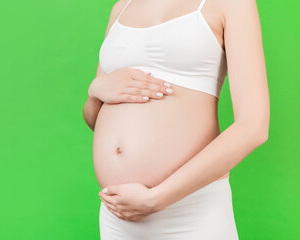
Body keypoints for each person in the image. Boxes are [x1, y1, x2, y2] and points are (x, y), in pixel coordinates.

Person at [83, 0, 269, 239]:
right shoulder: (121, 8)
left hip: (190, 213)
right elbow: (95, 121)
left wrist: (156, 199)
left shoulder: (231, 3)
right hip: (117, 215)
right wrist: (95, 90)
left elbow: (254, 126)